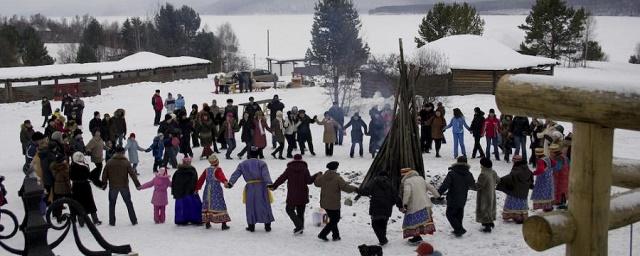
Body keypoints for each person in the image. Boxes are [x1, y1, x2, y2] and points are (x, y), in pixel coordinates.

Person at [269, 154, 319, 235]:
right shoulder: (305, 169)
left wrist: (274, 186)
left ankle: (299, 227)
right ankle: (300, 227)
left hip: (292, 194)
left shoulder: (289, 169)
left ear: (293, 159)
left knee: (289, 209)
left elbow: (281, 178)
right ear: (301, 159)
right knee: (300, 212)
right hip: (303, 193)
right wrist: (315, 175)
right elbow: (309, 181)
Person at [227, 150, 275, 232]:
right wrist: (269, 184)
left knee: (250, 206)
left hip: (250, 188)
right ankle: (267, 226)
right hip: (262, 187)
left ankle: (251, 226)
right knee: (264, 204)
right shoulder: (262, 163)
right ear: (257, 155)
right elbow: (265, 174)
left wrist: (231, 183)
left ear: (248, 154)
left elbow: (236, 174)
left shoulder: (243, 164)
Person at [314, 161, 358, 241]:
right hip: (334, 204)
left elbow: (316, 183)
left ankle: (336, 236)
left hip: (324, 203)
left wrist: (318, 175)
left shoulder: (323, 177)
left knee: (332, 220)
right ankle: (323, 234)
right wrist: (355, 188)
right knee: (335, 219)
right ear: (336, 168)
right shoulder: (337, 178)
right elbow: (346, 188)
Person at [101, 146, 141, 226]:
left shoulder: (109, 162)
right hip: (124, 186)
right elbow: (132, 174)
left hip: (113, 186)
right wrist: (137, 184)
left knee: (112, 204)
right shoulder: (126, 162)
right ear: (123, 153)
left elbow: (104, 174)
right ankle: (134, 220)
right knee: (129, 203)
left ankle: (112, 222)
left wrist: (104, 183)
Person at [437, 156, 476, 237]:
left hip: (453, 197)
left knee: (450, 214)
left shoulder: (452, 173)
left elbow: (445, 185)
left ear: (457, 162)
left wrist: (438, 193)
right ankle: (458, 230)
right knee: (459, 213)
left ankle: (459, 229)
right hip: (463, 197)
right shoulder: (469, 174)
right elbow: (473, 185)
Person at [399, 168, 440, 244]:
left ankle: (416, 238)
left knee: (413, 223)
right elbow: (431, 187)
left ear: (404, 175)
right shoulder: (420, 178)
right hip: (425, 204)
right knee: (421, 222)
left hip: (414, 205)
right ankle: (417, 237)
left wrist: (405, 203)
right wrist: (437, 196)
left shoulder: (407, 181)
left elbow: (407, 192)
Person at [357, 171, 398, 245]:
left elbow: (366, 191)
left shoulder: (374, 182)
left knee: (375, 224)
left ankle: (382, 239)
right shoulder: (390, 184)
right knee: (383, 223)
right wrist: (392, 203)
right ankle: (383, 239)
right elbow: (395, 196)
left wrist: (358, 191)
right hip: (387, 207)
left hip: (376, 205)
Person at [196, 155, 232, 230]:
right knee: (219, 204)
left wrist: (197, 188)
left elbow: (201, 180)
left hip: (207, 190)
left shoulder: (206, 170)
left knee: (207, 204)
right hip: (216, 190)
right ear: (217, 162)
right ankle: (223, 224)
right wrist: (225, 182)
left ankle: (207, 223)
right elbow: (221, 176)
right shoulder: (218, 169)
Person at [496, 155, 533, 224]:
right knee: (521, 207)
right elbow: (530, 180)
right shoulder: (527, 169)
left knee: (512, 205)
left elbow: (509, 178)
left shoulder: (516, 170)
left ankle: (513, 216)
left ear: (515, 162)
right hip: (523, 193)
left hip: (515, 192)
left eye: (513, 161)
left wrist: (500, 180)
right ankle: (521, 217)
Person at [70, 152, 101, 226]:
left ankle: (81, 222)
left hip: (76, 187)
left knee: (79, 204)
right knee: (90, 203)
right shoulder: (84, 167)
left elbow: (70, 177)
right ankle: (95, 220)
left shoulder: (72, 166)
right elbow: (88, 175)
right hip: (85, 186)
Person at [172, 157, 202, 225]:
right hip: (186, 192)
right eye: (187, 162)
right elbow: (175, 182)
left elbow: (195, 180)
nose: (188, 163)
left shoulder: (180, 171)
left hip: (185, 192)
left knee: (186, 205)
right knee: (191, 205)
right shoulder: (181, 171)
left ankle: (185, 219)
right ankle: (190, 219)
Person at [476, 157, 499, 233]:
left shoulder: (483, 174)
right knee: (490, 207)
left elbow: (479, 185)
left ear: (483, 165)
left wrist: (470, 185)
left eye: (481, 164)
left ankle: (487, 226)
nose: (480, 166)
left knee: (484, 208)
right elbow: (498, 180)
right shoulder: (493, 172)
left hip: (484, 195)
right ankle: (490, 222)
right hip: (491, 193)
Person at [531, 148, 555, 212]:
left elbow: (540, 170)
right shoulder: (547, 158)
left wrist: (533, 173)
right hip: (549, 178)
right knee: (548, 192)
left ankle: (544, 206)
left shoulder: (540, 161)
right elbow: (554, 163)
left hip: (542, 179)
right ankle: (548, 206)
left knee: (541, 193)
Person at [551, 144, 570, 209]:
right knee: (564, 190)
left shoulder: (558, 158)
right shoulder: (564, 157)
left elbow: (557, 169)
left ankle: (561, 203)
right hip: (565, 176)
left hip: (560, 178)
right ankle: (562, 202)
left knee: (560, 190)